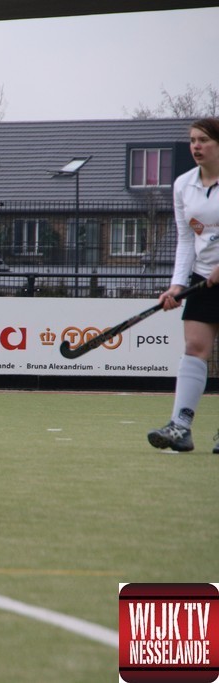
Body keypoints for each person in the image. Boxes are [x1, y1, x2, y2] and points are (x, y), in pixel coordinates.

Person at [147, 117, 219, 453]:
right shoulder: (182, 185)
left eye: (203, 140)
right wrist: (177, 284)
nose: (196, 146)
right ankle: (180, 426)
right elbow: (186, 239)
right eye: (192, 140)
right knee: (195, 347)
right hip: (203, 279)